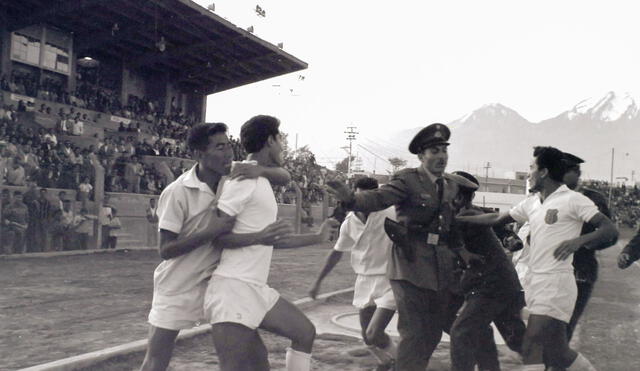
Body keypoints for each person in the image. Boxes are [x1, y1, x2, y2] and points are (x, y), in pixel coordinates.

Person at [327, 123, 483, 370]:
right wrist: (350, 198)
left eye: (444, 150)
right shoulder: (408, 180)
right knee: (413, 331)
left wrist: (463, 252)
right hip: (409, 266)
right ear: (421, 156)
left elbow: (449, 226)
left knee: (431, 333)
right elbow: (378, 198)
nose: (441, 156)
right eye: (434, 151)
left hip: (439, 268)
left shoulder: (450, 186)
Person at [140, 123, 293, 371]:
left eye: (229, 145)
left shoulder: (234, 175)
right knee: (157, 359)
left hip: (219, 285)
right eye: (219, 147)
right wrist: (211, 231)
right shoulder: (177, 191)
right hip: (178, 285)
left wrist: (260, 171)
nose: (229, 153)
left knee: (256, 357)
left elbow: (284, 175)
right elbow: (165, 250)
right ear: (199, 154)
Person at [456, 146, 618, 371]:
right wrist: (461, 220)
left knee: (532, 344)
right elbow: (497, 218)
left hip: (556, 283)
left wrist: (578, 241)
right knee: (558, 353)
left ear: (543, 172)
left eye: (531, 167)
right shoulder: (532, 202)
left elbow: (609, 229)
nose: (529, 172)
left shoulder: (573, 200)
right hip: (535, 282)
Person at [204, 115, 339, 371]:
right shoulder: (243, 179)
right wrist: (259, 237)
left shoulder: (260, 177)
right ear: (269, 140)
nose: (282, 147)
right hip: (233, 290)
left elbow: (272, 239)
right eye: (280, 140)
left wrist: (318, 237)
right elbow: (216, 236)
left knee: (304, 333)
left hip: (254, 288)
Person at [309, 176, 398, 369]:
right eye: (357, 198)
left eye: (367, 199)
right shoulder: (349, 221)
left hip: (390, 279)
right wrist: (318, 282)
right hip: (364, 280)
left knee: (374, 333)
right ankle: (388, 362)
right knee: (368, 338)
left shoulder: (392, 213)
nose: (361, 203)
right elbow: (336, 253)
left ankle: (401, 362)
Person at [447, 171, 526, 371]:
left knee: (462, 332)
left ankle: (559, 361)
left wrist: (511, 239)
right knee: (514, 339)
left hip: (492, 286)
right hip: (492, 284)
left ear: (458, 196)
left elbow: (496, 223)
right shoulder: (455, 213)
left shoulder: (469, 214)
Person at [562, 152, 617, 340]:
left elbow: (610, 236)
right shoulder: (549, 197)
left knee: (564, 327)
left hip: (580, 269)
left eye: (564, 171)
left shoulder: (593, 199)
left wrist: (585, 245)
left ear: (577, 173)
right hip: (550, 268)